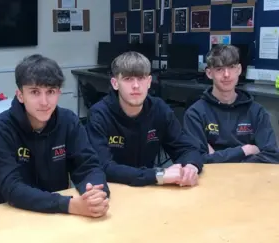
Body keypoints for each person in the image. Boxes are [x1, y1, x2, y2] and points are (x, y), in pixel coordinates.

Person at [0, 54, 110, 218]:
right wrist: (69, 205)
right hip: (13, 215)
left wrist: (95, 193)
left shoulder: (69, 121)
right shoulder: (0, 128)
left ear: (59, 93)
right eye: (35, 92)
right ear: (20, 95)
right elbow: (13, 188)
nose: (44, 102)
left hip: (56, 215)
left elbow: (88, 166)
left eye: (51, 91)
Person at [86, 51, 204, 187]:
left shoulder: (159, 108)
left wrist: (191, 167)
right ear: (115, 83)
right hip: (114, 190)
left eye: (141, 78)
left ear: (149, 82)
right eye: (128, 79)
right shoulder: (99, 114)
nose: (136, 85)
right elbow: (104, 168)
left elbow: (187, 148)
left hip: (149, 189)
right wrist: (158, 175)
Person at [183, 44, 279, 163]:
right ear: (209, 73)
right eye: (219, 69)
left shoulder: (256, 112)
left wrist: (216, 157)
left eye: (232, 67)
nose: (227, 75)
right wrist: (245, 150)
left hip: (249, 178)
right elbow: (196, 160)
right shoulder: (195, 113)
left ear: (239, 69)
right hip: (212, 179)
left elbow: (272, 156)